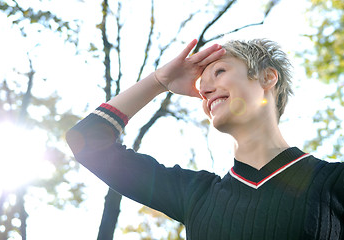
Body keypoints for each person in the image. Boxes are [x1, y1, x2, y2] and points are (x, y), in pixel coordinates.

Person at [66, 39, 344, 239]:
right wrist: (159, 82)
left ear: (267, 77)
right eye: (201, 89)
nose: (206, 90)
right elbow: (88, 142)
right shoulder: (194, 196)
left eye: (219, 72)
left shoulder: (334, 181)